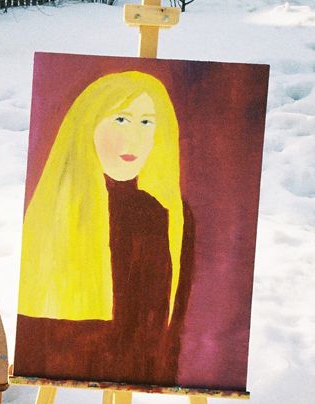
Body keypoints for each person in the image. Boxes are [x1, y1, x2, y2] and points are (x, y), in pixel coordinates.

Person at [15, 71, 193, 385]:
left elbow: (168, 327)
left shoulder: (166, 216)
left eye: (147, 122)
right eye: (121, 120)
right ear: (87, 125)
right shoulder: (54, 213)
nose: (134, 138)